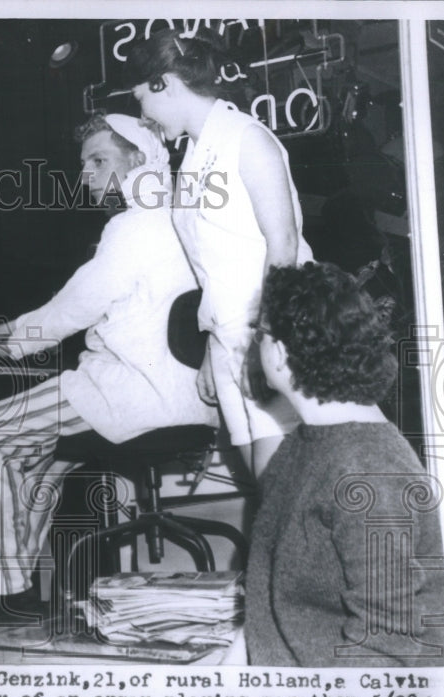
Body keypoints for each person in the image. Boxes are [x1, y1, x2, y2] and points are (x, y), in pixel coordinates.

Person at [0, 114, 214, 616]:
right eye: (84, 164)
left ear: (140, 160)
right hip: (189, 403)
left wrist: (6, 343)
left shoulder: (133, 225)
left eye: (99, 161)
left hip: (134, 395)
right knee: (40, 463)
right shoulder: (184, 216)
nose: (86, 175)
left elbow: (76, 307)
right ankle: (20, 592)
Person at [122, 29, 314, 477]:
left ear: (164, 83)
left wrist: (263, 343)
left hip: (273, 336)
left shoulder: (248, 138)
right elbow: (214, 264)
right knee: (261, 479)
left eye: (141, 100)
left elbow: (282, 245)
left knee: (285, 483)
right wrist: (214, 343)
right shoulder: (192, 156)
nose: (143, 115)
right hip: (230, 337)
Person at [245, 262, 444, 666]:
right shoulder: (301, 448)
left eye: (259, 334)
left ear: (282, 354)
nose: (253, 346)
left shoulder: (370, 471)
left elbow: (387, 647)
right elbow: (263, 605)